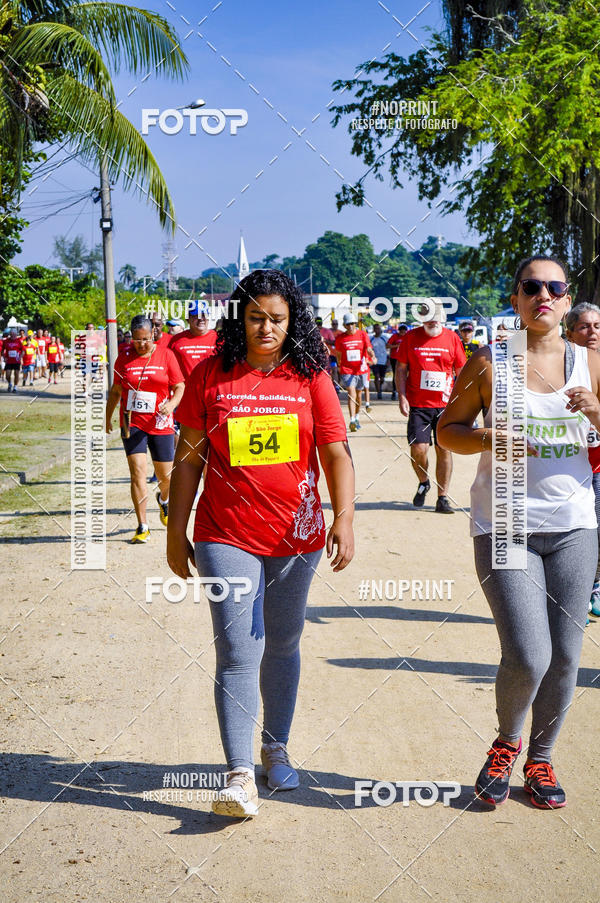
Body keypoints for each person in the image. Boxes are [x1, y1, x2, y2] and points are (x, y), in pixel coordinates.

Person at [167, 269, 355, 818]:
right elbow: (188, 461)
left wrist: (344, 518)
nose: (266, 328)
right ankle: (239, 775)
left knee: (283, 642)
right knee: (237, 648)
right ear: (239, 319)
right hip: (225, 534)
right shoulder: (210, 376)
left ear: (292, 319)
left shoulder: (310, 377)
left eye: (276, 318)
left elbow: (336, 454)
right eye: (255, 317)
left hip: (296, 538)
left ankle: (276, 748)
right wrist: (176, 533)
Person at [438, 255, 599, 810]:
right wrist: (489, 437)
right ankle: (507, 743)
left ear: (565, 296)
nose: (544, 296)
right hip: (504, 520)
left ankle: (542, 758)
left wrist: (597, 412)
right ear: (515, 298)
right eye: (532, 287)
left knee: (567, 655)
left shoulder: (591, 361)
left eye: (554, 288)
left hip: (575, 524)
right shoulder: (491, 361)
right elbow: (448, 432)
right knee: (529, 654)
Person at [106, 314, 184, 544]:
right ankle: (142, 525)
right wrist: (107, 418)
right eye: (136, 339)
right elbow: (116, 391)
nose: (141, 344)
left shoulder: (166, 355)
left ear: (153, 334)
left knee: (166, 477)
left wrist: (170, 404)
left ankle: (164, 500)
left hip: (160, 423)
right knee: (137, 472)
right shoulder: (124, 357)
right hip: (132, 422)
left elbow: (179, 386)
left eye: (145, 339)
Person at [396, 305, 466, 512]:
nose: (433, 321)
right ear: (421, 319)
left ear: (442, 318)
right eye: (428, 318)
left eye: (436, 317)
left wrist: (462, 399)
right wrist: (402, 396)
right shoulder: (410, 337)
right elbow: (401, 369)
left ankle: (442, 497)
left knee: (443, 449)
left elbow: (461, 371)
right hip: (419, 405)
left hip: (445, 405)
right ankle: (424, 481)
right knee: (418, 449)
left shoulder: (452, 338)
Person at [566, 302, 600, 618]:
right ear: (570, 332)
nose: (592, 332)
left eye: (597, 326)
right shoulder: (556, 367)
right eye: (584, 326)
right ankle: (574, 598)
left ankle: (593, 588)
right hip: (566, 466)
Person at [335, 313, 375, 431]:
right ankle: (352, 420)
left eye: (352, 324)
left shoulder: (362, 334)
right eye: (348, 324)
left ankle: (357, 417)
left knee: (358, 395)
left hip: (361, 370)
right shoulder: (340, 338)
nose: (351, 326)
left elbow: (368, 348)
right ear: (344, 325)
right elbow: (338, 353)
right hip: (347, 370)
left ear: (355, 324)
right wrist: (339, 364)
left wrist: (372, 355)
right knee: (351, 394)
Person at [168, 299, 218, 378]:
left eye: (204, 315)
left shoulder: (218, 339)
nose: (201, 318)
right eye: (196, 315)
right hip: (186, 389)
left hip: (211, 389)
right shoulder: (176, 340)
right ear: (188, 319)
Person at [387, 323, 408, 400]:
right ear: (399, 331)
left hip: (406, 359)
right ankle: (394, 391)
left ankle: (406, 391)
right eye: (401, 332)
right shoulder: (395, 336)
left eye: (404, 331)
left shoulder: (408, 336)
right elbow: (388, 345)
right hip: (395, 358)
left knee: (407, 374)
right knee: (396, 375)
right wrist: (397, 345)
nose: (403, 333)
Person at [370, 323, 389, 400]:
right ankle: (379, 392)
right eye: (376, 329)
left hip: (383, 360)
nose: (378, 330)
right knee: (377, 376)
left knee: (382, 378)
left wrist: (388, 359)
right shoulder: (371, 339)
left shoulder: (384, 338)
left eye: (379, 328)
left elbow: (388, 348)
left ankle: (379, 386)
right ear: (374, 330)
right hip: (375, 361)